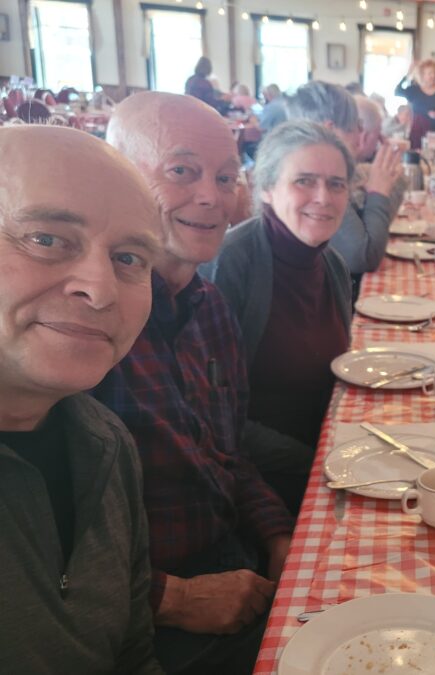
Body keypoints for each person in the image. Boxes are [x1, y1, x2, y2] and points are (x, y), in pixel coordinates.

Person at [96, 92, 293, 675]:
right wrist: (175, 600)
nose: (211, 195)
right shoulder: (83, 324)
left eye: (226, 176)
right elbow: (45, 557)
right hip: (145, 622)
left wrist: (280, 534)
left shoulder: (210, 309)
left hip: (233, 562)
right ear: (119, 177)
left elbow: (228, 457)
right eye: (181, 171)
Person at [0, 125, 162, 674]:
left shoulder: (105, 443)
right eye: (46, 239)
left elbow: (134, 655)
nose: (100, 288)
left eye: (129, 258)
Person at [204, 121, 353, 513]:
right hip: (261, 484)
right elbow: (215, 420)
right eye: (304, 181)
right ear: (266, 189)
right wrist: (318, 463)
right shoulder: (233, 262)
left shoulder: (332, 265)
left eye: (336, 184)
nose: (323, 197)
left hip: (327, 454)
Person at [286, 81, 403, 295]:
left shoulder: (302, 170)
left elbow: (374, 234)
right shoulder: (314, 184)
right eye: (356, 128)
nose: (361, 138)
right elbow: (363, 256)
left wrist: (384, 184)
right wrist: (378, 193)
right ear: (329, 132)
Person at [395, 58, 435, 151]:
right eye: (429, 73)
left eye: (434, 73)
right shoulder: (414, 90)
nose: (433, 76)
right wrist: (408, 74)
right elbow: (397, 91)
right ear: (422, 75)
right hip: (418, 134)